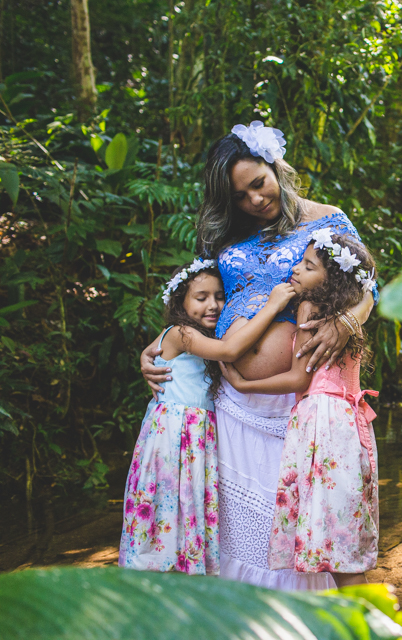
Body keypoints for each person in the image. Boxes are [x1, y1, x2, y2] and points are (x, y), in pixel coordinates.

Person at [139, 121, 375, 590]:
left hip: (297, 402)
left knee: (304, 528)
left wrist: (347, 321)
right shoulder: (228, 233)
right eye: (240, 196)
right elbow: (200, 298)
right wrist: (163, 344)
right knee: (241, 532)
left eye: (258, 184)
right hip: (231, 403)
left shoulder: (328, 219)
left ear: (276, 168)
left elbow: (367, 287)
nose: (254, 200)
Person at [221, 232, 378, 588]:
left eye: (308, 266)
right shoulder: (344, 316)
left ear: (332, 278)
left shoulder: (310, 308)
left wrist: (246, 385)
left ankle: (381, 627)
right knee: (342, 540)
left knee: (335, 549)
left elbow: (297, 378)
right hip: (348, 424)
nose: (295, 269)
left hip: (322, 425)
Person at [120, 259, 295, 574]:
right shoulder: (183, 332)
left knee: (187, 502)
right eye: (201, 297)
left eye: (219, 296)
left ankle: (186, 570)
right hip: (175, 436)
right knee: (168, 502)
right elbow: (230, 351)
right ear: (180, 302)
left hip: (193, 435)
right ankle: (159, 574)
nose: (213, 305)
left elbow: (155, 351)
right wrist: (272, 306)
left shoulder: (191, 335)